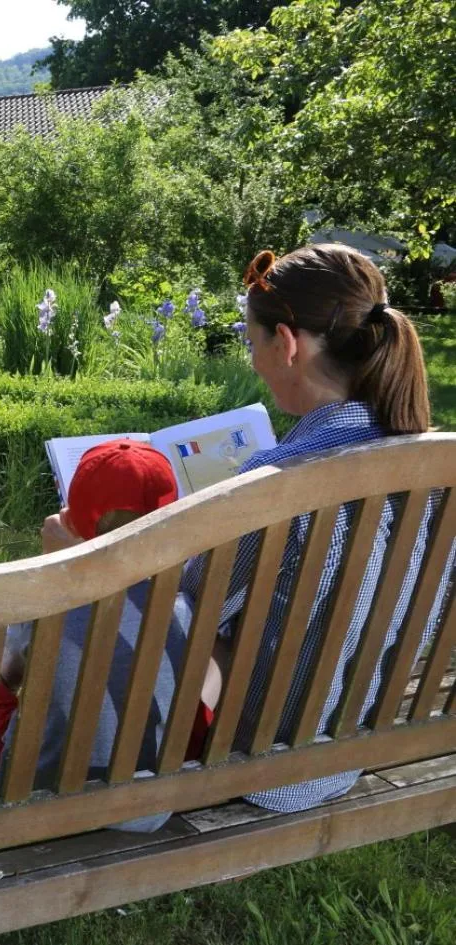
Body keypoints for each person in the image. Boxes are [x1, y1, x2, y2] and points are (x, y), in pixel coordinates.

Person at [177, 243, 452, 813]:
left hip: (256, 764)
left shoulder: (278, 484)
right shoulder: (436, 472)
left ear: (286, 344)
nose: (253, 361)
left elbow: (188, 611)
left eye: (253, 344)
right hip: (347, 747)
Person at [0, 438, 222, 832]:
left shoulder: (45, 602)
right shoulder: (184, 609)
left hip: (36, 794)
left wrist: (52, 565)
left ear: (72, 521)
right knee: (197, 677)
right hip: (149, 805)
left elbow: (6, 676)